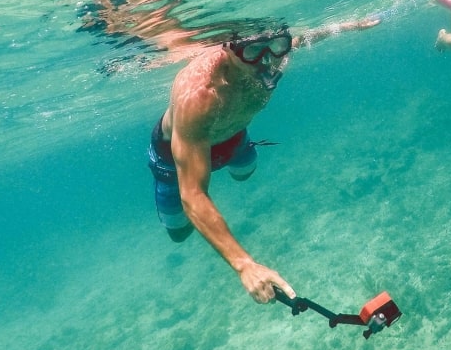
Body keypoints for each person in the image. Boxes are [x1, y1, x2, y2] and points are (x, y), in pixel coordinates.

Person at [147, 18, 379, 304]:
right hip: (174, 156)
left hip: (232, 137)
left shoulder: (273, 54)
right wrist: (244, 264)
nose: (264, 59)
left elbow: (306, 38)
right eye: (252, 51)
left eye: (276, 46)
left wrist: (350, 26)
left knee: (245, 172)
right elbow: (192, 194)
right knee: (179, 232)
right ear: (228, 48)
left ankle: (236, 157)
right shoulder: (200, 93)